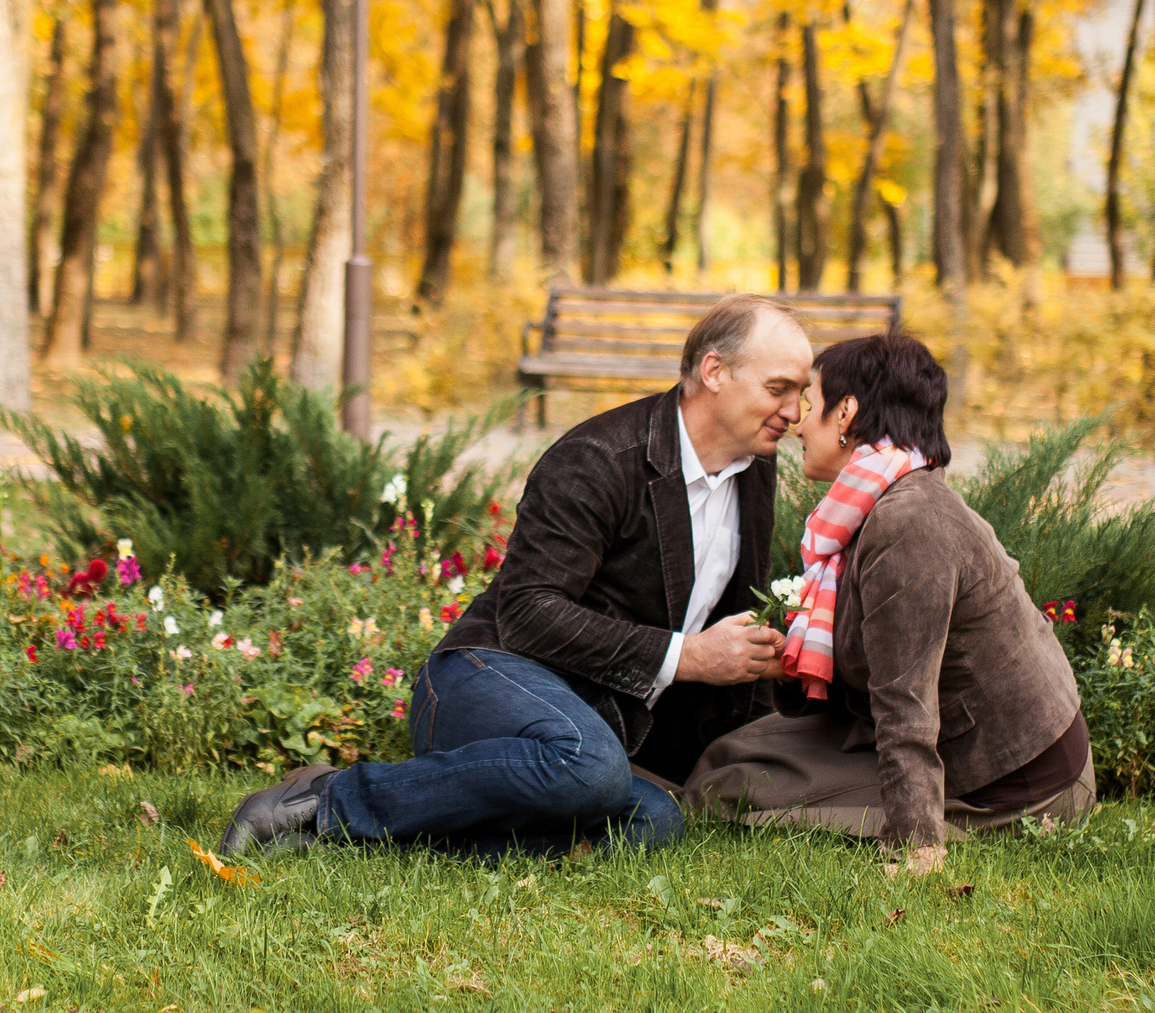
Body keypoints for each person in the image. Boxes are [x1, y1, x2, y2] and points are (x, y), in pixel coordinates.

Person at [217, 294, 809, 858]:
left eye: (802, 394)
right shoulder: (600, 458)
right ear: (713, 371)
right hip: (487, 675)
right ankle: (328, 799)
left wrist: (759, 740)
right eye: (778, 388)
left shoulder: (750, 468)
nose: (794, 412)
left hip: (592, 723)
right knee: (591, 766)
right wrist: (689, 657)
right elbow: (528, 613)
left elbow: (733, 621)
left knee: (655, 822)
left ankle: (355, 831)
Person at [683, 330, 1092, 859]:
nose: (798, 423)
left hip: (1011, 788)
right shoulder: (884, 499)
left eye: (811, 403)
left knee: (729, 788)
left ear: (847, 413)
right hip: (965, 748)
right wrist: (785, 661)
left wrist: (916, 845)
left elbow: (907, 702)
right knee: (729, 753)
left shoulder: (910, 521)